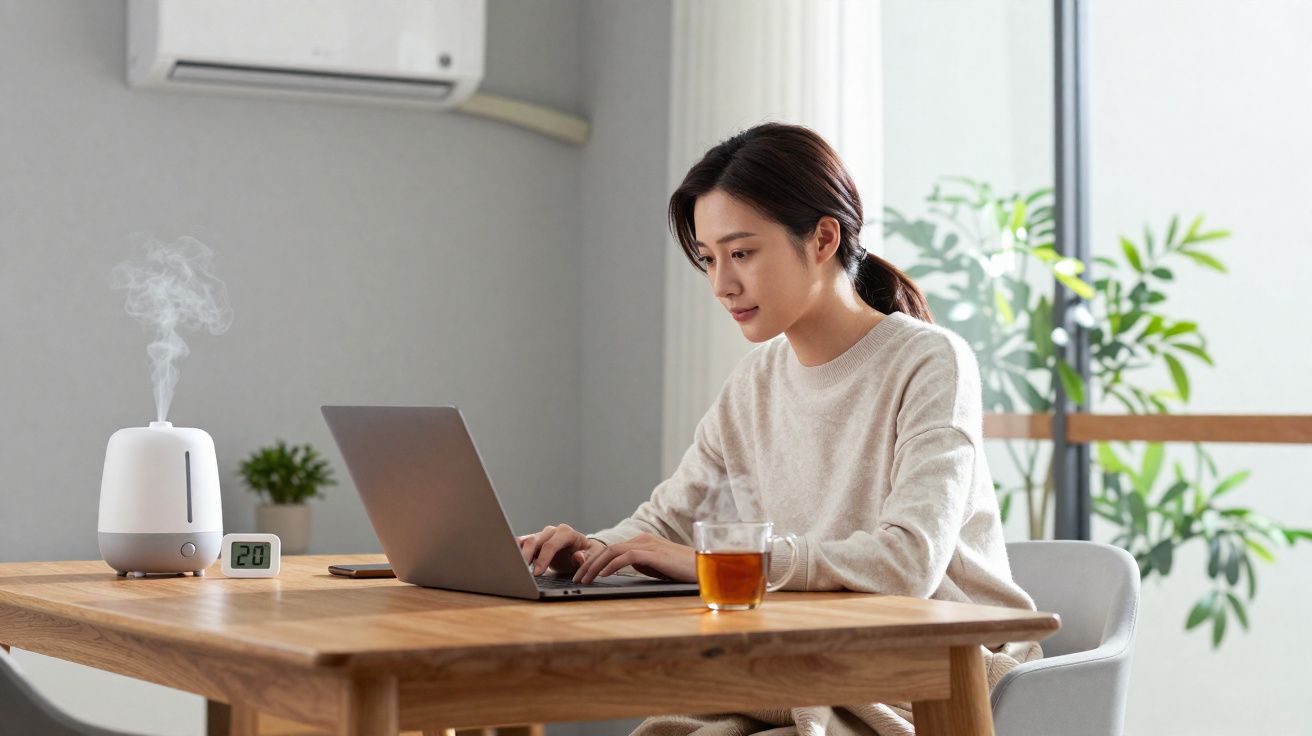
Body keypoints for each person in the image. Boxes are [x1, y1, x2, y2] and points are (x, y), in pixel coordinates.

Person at [518, 122, 1042, 736]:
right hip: (809, 661)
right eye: (709, 259)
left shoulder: (931, 361)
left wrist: (715, 563)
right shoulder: (756, 381)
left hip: (937, 672)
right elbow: (666, 524)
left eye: (742, 254)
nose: (722, 285)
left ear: (823, 238)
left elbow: (908, 563)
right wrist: (589, 553)